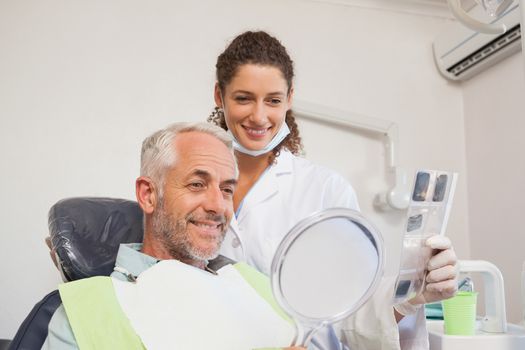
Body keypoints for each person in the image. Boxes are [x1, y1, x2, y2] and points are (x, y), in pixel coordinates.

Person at [208, 31, 458, 349]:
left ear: (290, 97)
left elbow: (353, 308)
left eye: (273, 100)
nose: (259, 116)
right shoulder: (195, 186)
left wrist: (411, 295)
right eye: (243, 98)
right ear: (219, 95)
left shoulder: (325, 189)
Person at [42, 122, 304, 350]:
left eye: (226, 189)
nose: (217, 206)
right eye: (197, 184)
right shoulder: (89, 312)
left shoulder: (262, 288)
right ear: (148, 195)